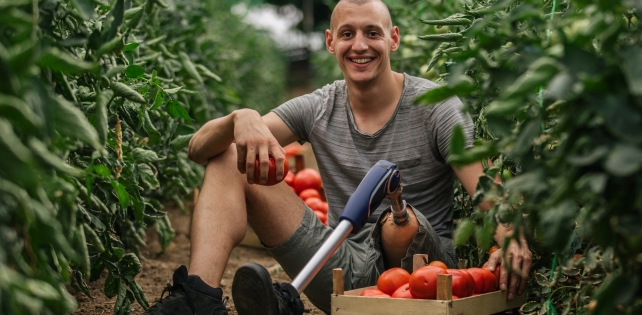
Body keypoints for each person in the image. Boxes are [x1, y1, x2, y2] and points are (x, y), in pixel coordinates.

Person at [142, 0, 532, 314]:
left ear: (393, 39)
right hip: (339, 264)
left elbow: (485, 189)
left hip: (421, 274)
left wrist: (510, 239)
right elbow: (198, 149)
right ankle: (198, 300)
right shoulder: (319, 106)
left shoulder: (437, 107)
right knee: (227, 156)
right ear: (331, 42)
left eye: (372, 33)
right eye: (348, 34)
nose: (359, 45)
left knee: (400, 221)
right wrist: (238, 120)